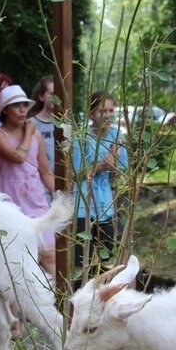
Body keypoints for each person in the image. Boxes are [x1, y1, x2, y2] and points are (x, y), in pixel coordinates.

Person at [0, 85, 57, 279]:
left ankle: (61, 306)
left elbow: (45, 170)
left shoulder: (36, 135)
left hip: (36, 200)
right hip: (10, 204)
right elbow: (19, 157)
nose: (22, 110)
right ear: (5, 110)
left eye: (25, 105)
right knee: (14, 263)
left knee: (50, 256)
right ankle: (17, 310)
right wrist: (28, 133)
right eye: (16, 106)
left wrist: (59, 197)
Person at [72, 90, 128, 270]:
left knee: (112, 260)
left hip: (106, 206)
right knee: (82, 263)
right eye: (102, 111)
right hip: (83, 206)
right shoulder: (82, 138)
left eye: (111, 111)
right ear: (91, 114)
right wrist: (102, 165)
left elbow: (118, 177)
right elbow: (76, 175)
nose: (108, 115)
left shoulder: (117, 136)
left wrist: (113, 166)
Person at [28, 75, 55, 172]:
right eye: (52, 93)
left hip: (63, 177)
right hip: (39, 177)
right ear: (41, 96)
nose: (55, 97)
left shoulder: (67, 123)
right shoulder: (30, 123)